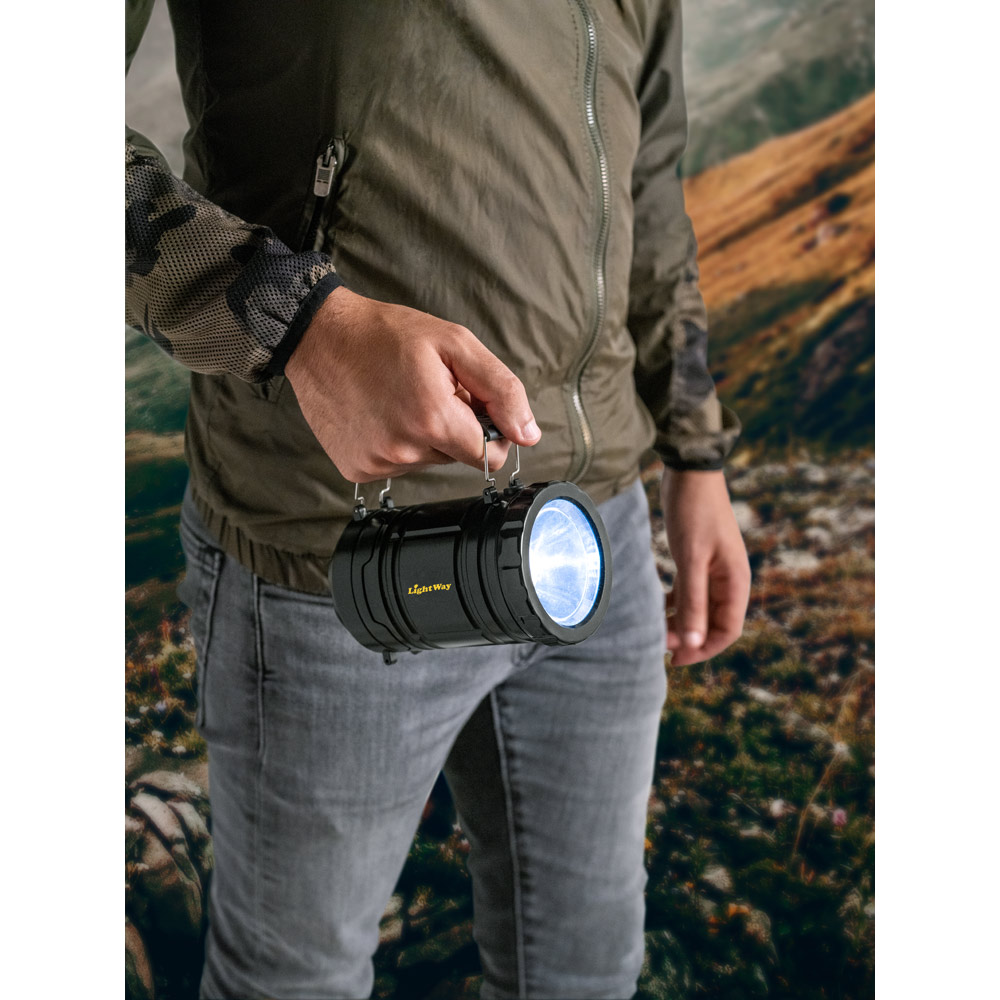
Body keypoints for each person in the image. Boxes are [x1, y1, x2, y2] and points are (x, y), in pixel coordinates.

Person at [125, 1, 751, 996]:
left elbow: (644, 174)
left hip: (593, 536)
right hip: (330, 552)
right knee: (295, 981)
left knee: (583, 972)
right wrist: (301, 325)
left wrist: (695, 450)